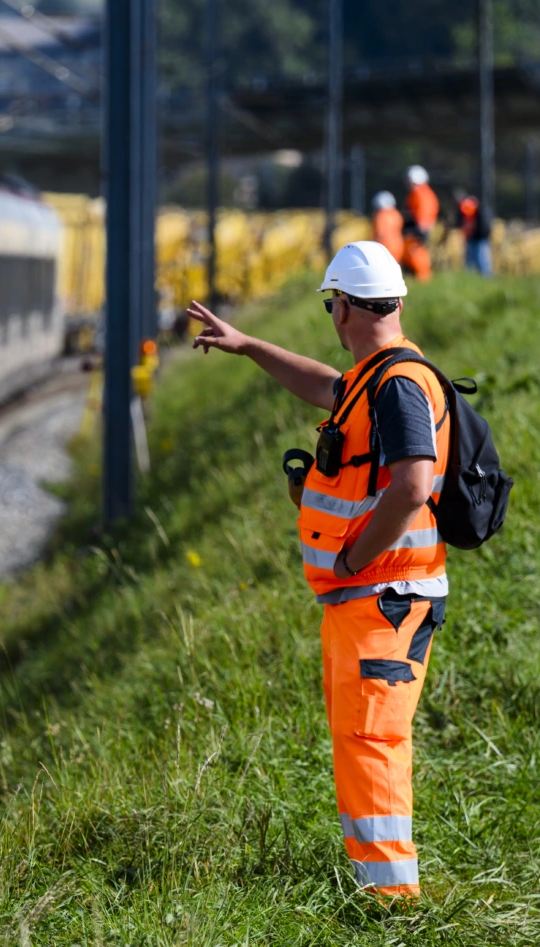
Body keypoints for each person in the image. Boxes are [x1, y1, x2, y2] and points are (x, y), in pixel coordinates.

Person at [187, 241, 451, 899]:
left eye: (331, 303)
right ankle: (376, 883)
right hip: (361, 595)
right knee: (357, 738)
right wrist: (247, 345)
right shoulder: (372, 377)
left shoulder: (396, 385)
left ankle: (391, 902)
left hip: (384, 592)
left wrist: (355, 553)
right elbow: (320, 384)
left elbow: (413, 484)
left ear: (342, 309)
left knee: (371, 739)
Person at [458, 194, 494, 276]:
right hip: (472, 238)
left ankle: (486, 276)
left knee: (482, 259)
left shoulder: (481, 214)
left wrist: (474, 234)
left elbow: (484, 229)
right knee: (471, 259)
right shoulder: (469, 214)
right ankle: (473, 277)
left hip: (481, 239)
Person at [371, 191, 404, 262]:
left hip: (384, 245)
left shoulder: (381, 215)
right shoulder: (396, 213)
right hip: (398, 244)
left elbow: (379, 232)